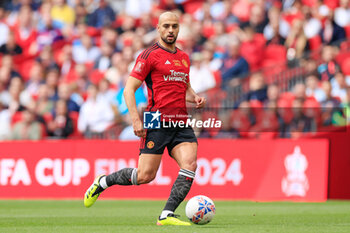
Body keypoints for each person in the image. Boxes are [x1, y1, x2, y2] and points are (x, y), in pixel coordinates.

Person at [83, 11, 206, 226]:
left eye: (174, 26)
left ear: (179, 29)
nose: (170, 30)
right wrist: (135, 120)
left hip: (180, 121)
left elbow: (183, 87)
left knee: (190, 164)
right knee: (145, 176)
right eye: (166, 26)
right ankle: (103, 181)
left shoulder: (184, 58)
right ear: (158, 28)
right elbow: (129, 90)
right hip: (156, 120)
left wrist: (194, 97)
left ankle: (166, 214)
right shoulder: (149, 56)